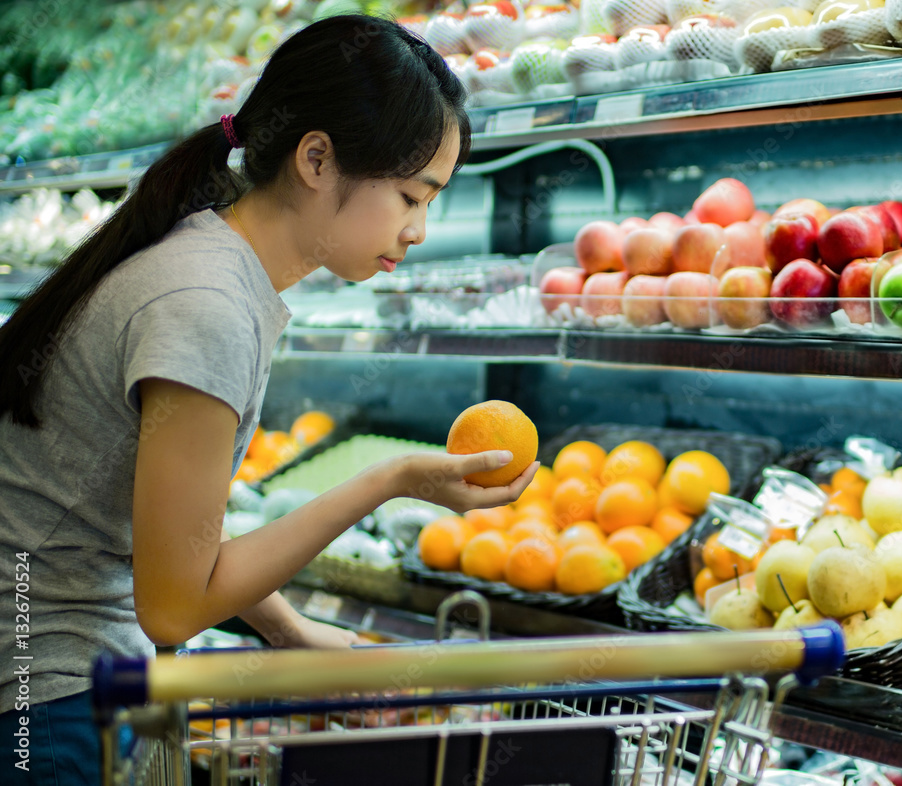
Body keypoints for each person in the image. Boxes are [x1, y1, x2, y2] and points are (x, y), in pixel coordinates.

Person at [0, 15, 537, 785]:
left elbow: (177, 535)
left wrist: (289, 632)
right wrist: (388, 482)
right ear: (317, 158)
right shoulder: (206, 304)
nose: (420, 230)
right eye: (411, 196)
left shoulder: (210, 264)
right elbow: (175, 608)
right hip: (46, 698)